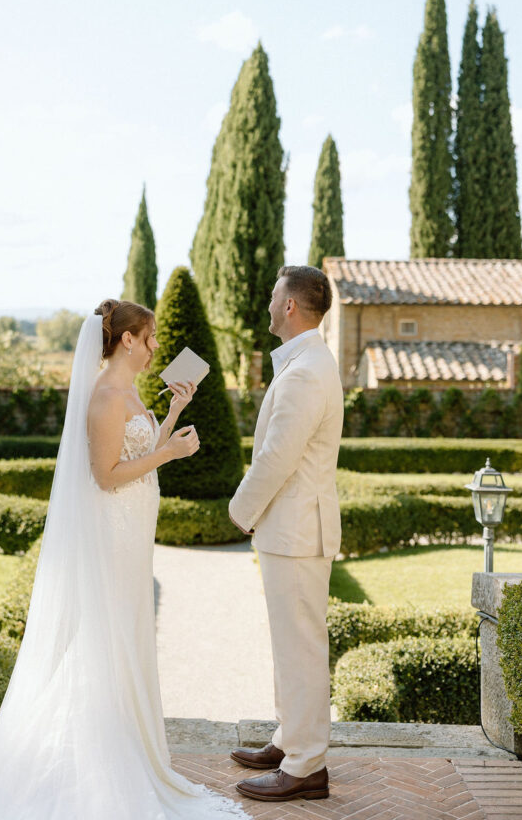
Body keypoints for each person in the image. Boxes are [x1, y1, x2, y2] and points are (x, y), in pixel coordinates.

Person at [0, 300, 245, 820]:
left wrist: (172, 414)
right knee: (104, 639)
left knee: (124, 635)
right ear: (126, 340)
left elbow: (138, 459)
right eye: (148, 339)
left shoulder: (128, 390)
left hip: (132, 534)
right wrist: (170, 454)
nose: (153, 349)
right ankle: (92, 766)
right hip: (111, 534)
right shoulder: (104, 396)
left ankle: (124, 747)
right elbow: (107, 475)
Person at [228, 266, 343, 804]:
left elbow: (278, 456)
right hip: (294, 530)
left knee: (299, 648)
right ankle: (289, 740)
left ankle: (304, 767)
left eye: (274, 295)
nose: (269, 303)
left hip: (296, 531)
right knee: (290, 645)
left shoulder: (303, 372)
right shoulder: (307, 362)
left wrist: (239, 509)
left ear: (291, 306)